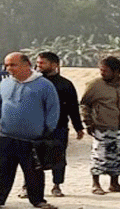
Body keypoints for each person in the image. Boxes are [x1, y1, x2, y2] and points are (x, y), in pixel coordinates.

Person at [0, 52, 60, 209]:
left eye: (13, 65)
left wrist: (47, 131)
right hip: (6, 137)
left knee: (34, 172)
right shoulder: (4, 84)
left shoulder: (44, 85)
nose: (9, 68)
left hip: (33, 139)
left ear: (27, 64)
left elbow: (53, 110)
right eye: (7, 65)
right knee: (1, 172)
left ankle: (38, 200)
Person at [80, 56, 120, 195]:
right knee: (99, 156)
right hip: (101, 125)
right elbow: (84, 104)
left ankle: (114, 184)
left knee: (118, 155)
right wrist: (88, 122)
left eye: (105, 71)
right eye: (101, 70)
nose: (102, 73)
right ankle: (96, 184)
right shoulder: (95, 85)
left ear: (117, 71)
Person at [36, 51, 84, 197]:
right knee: (34, 158)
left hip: (59, 126)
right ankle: (29, 186)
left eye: (42, 63)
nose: (38, 66)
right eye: (37, 63)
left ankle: (56, 185)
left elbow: (73, 107)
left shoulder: (65, 85)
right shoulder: (33, 83)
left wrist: (79, 127)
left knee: (58, 157)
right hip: (36, 127)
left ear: (54, 65)